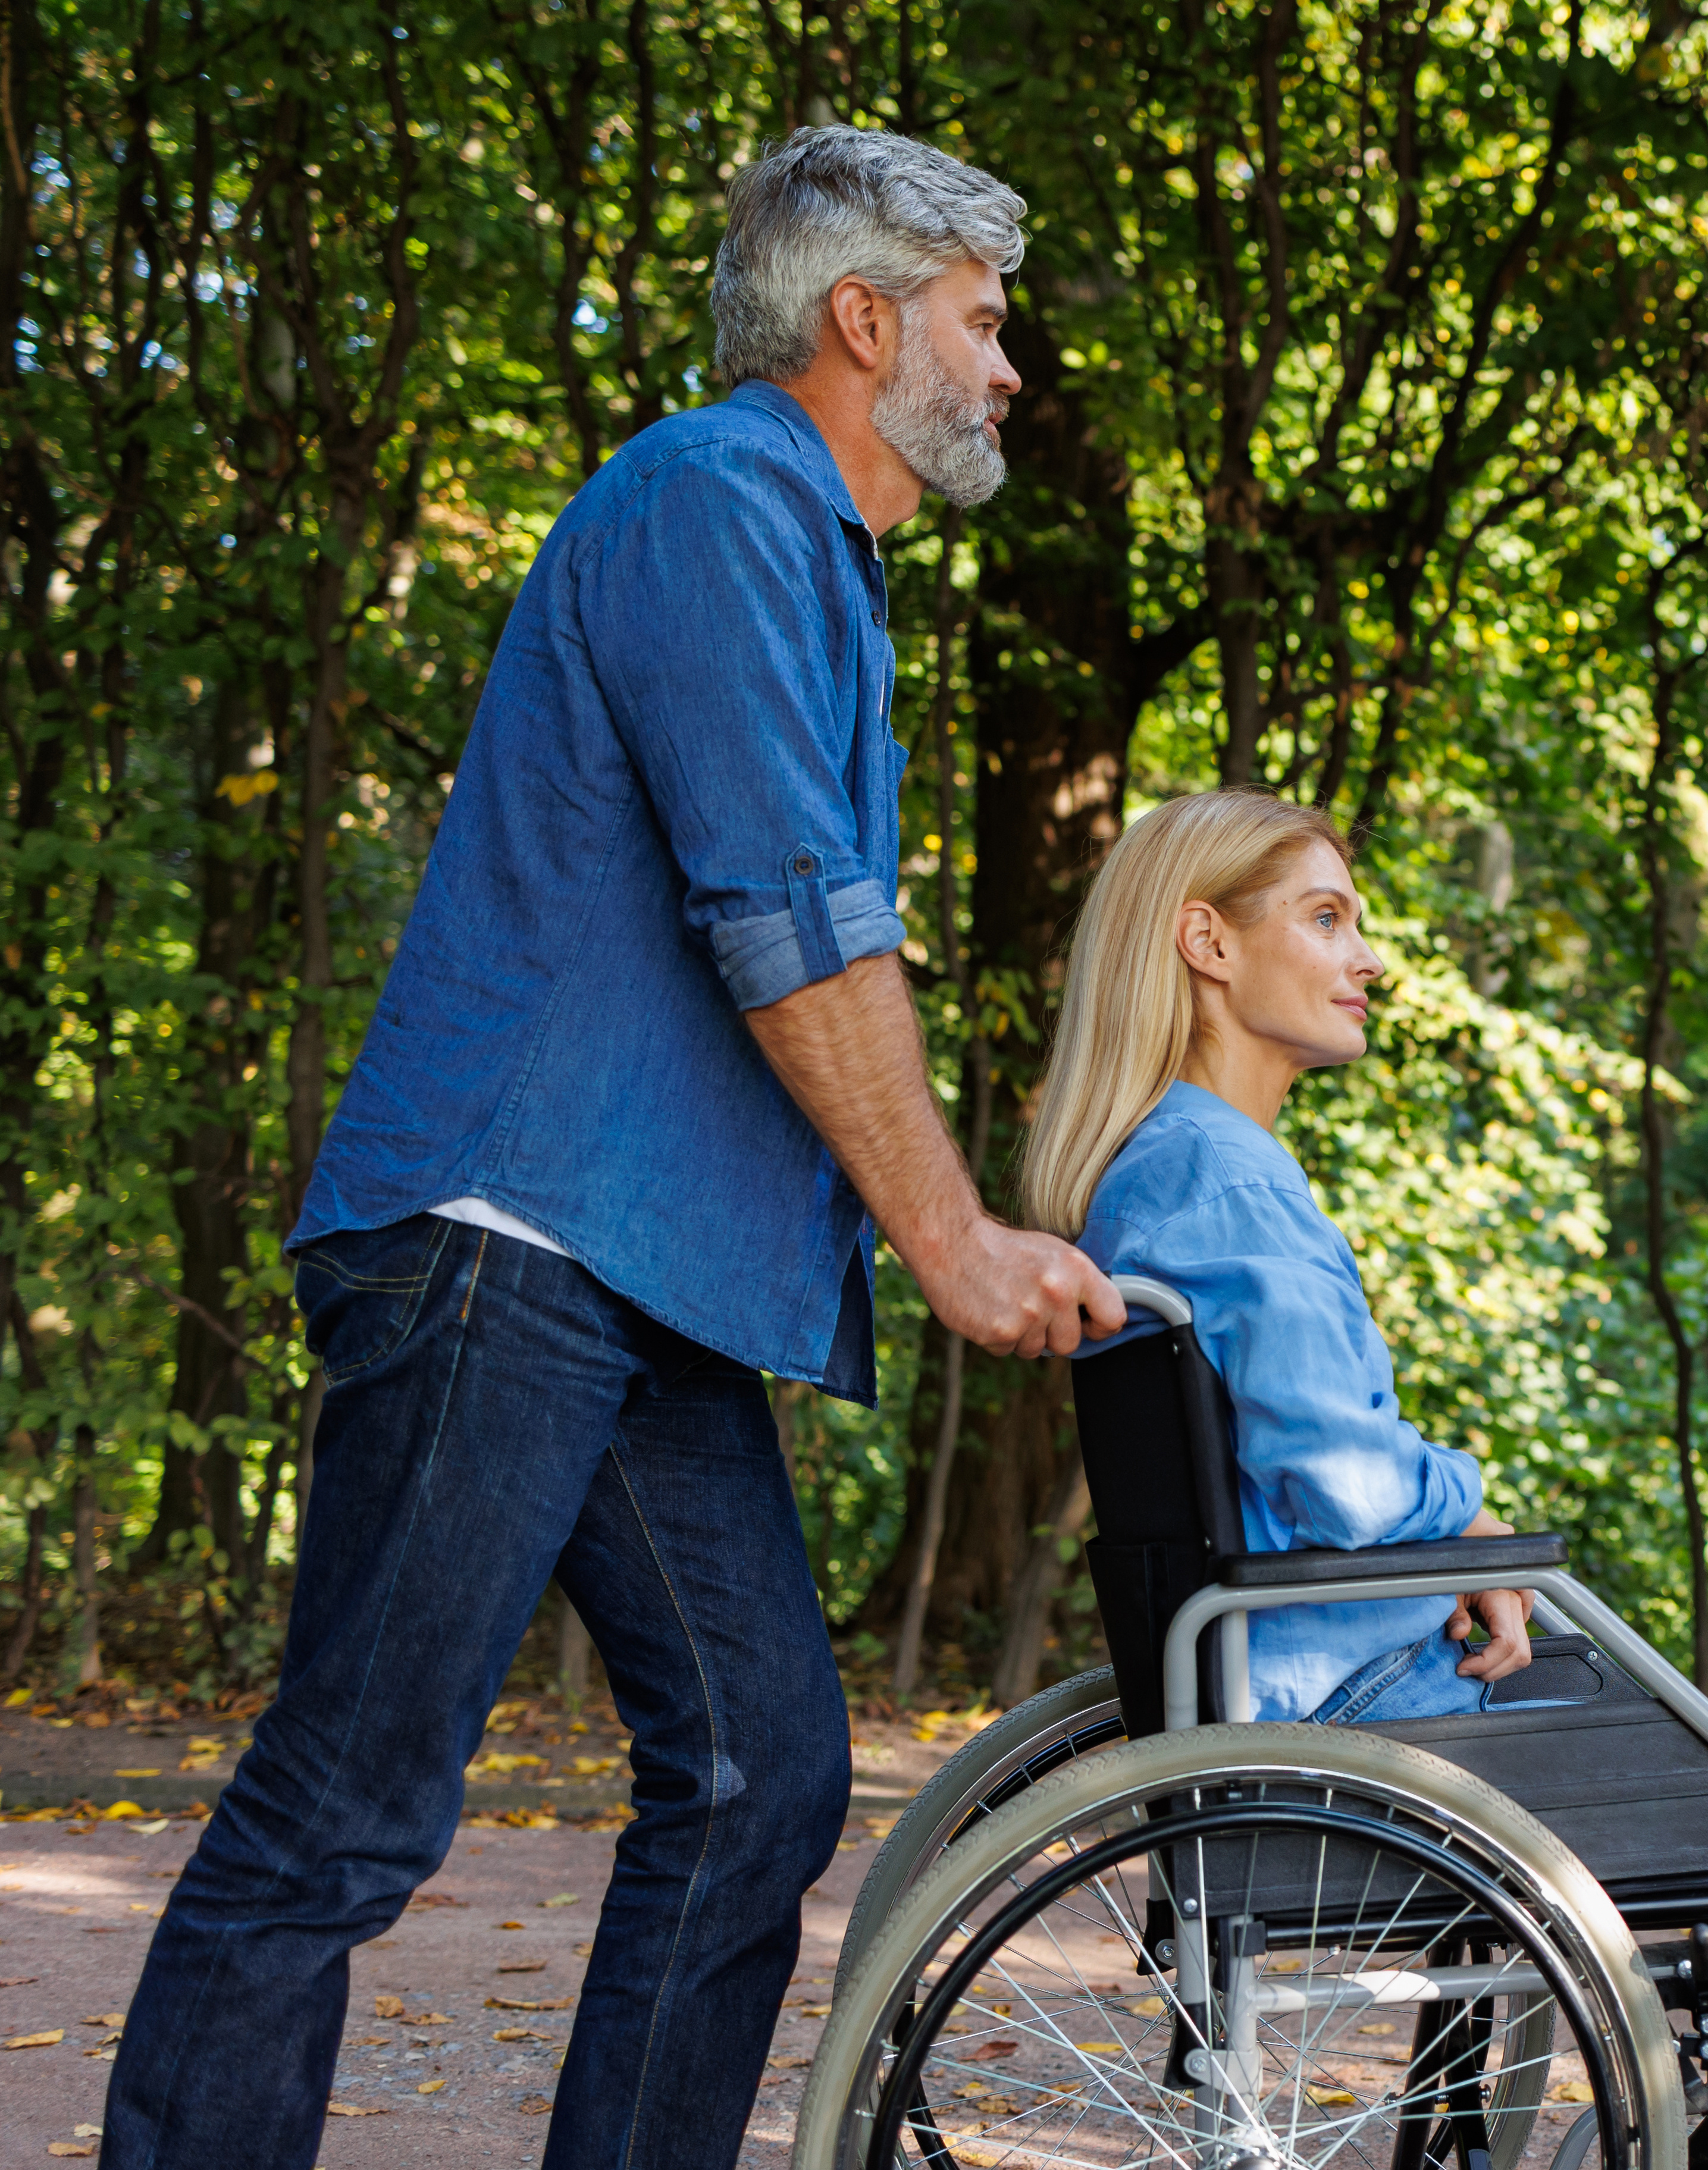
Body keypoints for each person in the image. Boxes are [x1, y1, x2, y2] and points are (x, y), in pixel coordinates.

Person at [102, 128, 1124, 2170]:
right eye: (981, 323)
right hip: (505, 1231)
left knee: (760, 1767)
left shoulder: (814, 556)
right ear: (864, 320)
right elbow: (788, 920)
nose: (1007, 369)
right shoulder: (716, 501)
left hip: (630, 1273)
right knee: (351, 1801)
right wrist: (949, 1238)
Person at [1018, 788, 1708, 2170]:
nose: (1368, 959)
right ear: (1205, 941)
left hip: (1306, 1694)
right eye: (1327, 919)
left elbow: (1313, 1479)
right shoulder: (1223, 1177)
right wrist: (1471, 1520)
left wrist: (1462, 1553)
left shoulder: (1168, 1166)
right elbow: (1346, 1487)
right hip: (1361, 1731)